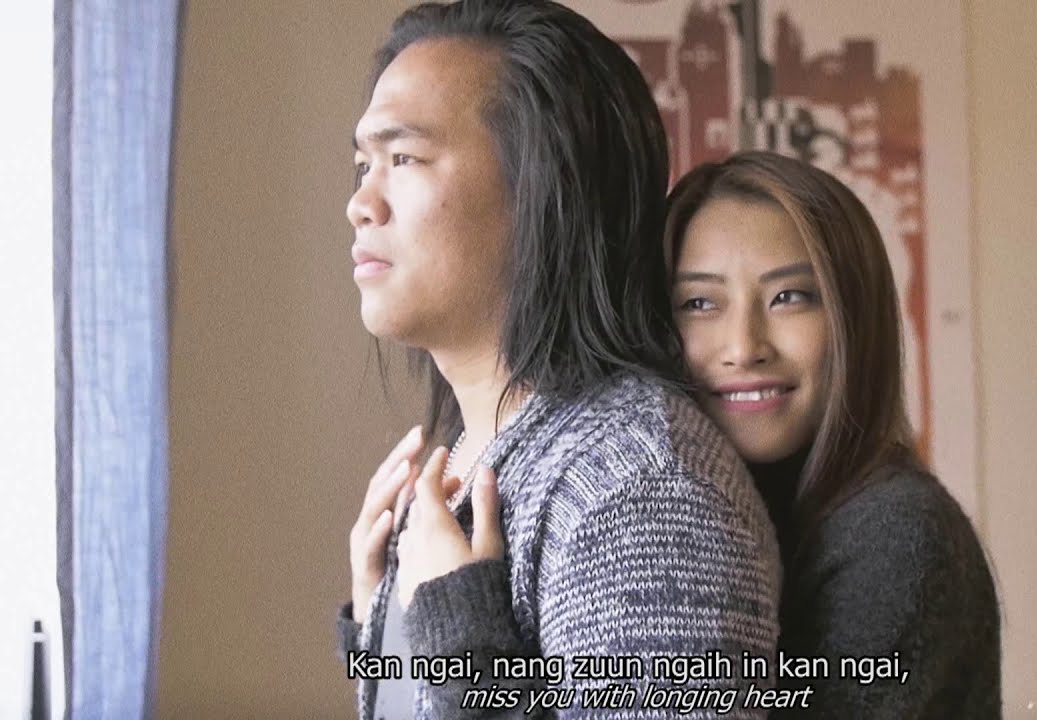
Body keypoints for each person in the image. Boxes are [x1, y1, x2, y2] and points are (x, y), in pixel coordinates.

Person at [335, 2, 780, 719]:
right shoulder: (467, 463)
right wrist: (378, 630)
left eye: (403, 158)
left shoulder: (636, 487)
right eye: (363, 165)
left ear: (545, 189)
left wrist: (462, 651)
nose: (360, 202)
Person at [664, 152, 1002, 717]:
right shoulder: (713, 512)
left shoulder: (897, 534)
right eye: (699, 303)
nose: (744, 347)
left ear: (853, 318)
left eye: (789, 297)